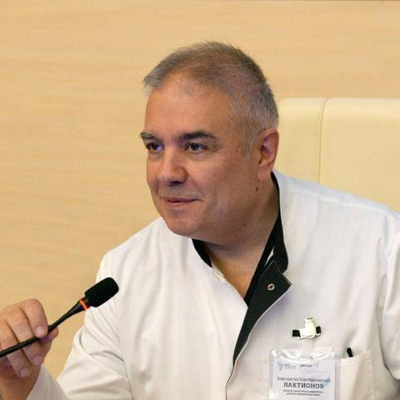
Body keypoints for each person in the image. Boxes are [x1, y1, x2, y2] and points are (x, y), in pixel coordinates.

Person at [0, 41, 399, 400]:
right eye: (154, 147)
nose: (166, 173)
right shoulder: (124, 275)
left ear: (263, 152)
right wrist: (22, 384)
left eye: (194, 146)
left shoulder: (380, 247)